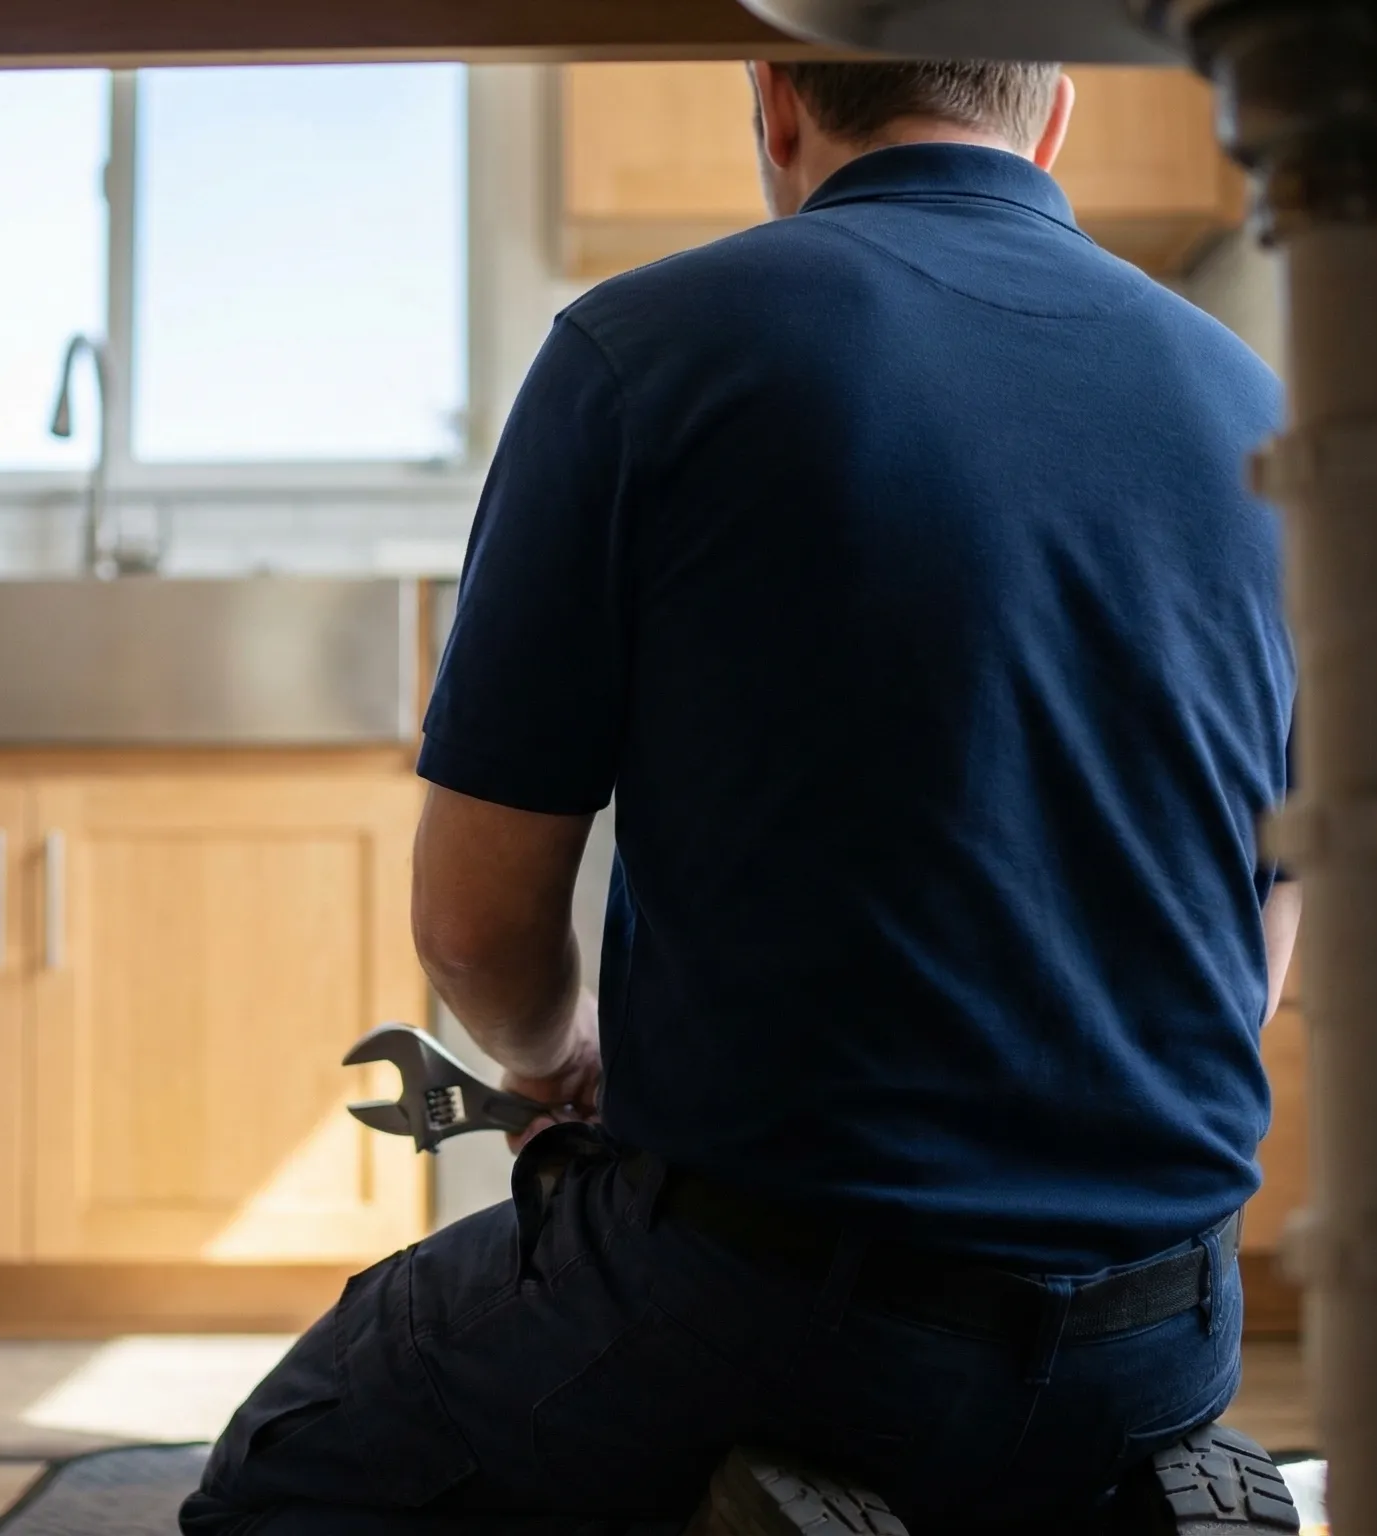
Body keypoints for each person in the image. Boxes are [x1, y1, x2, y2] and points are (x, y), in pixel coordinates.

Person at [184, 58, 1299, 1536]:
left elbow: (472, 925)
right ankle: (1083, 1491)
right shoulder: (1256, 401)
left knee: (285, 1471)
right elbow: (1273, 921)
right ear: (1051, 116)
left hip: (781, 1317)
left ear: (774, 103)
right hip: (1173, 1322)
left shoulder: (646, 350)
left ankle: (776, 1496)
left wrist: (554, 1054)